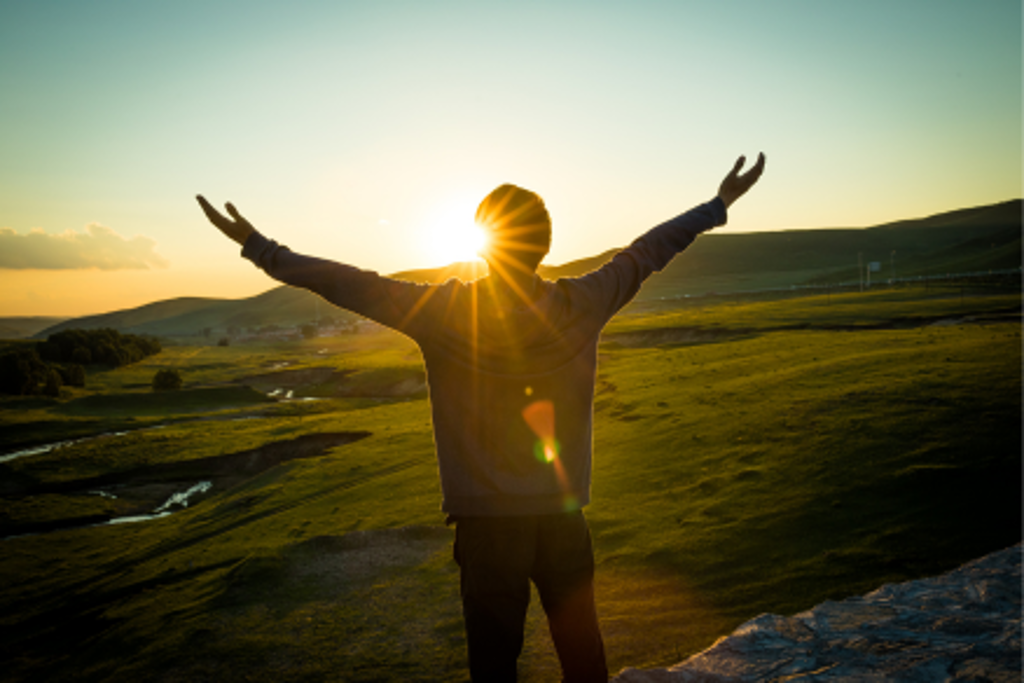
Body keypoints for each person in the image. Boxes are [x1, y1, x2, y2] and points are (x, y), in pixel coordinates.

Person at [197, 153, 765, 682]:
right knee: (583, 655)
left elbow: (347, 283)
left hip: (488, 525)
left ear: (484, 245)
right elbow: (647, 251)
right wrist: (716, 206)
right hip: (564, 516)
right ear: (544, 244)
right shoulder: (585, 301)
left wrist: (257, 245)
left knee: (493, 663)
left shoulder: (445, 312)